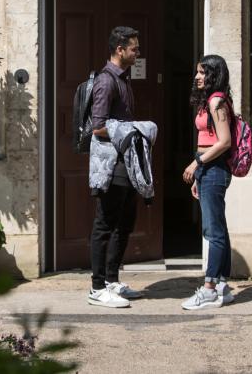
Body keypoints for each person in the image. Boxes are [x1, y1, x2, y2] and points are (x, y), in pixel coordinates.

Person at [86, 26, 145, 308]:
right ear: (119, 49)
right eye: (133, 48)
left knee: (125, 224)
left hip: (127, 163)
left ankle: (111, 281)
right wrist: (132, 131)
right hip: (112, 166)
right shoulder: (107, 81)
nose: (137, 52)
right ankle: (97, 288)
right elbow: (97, 128)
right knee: (105, 225)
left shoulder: (123, 79)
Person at [180, 54, 235, 310]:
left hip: (213, 168)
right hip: (207, 170)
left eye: (202, 73)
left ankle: (210, 288)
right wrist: (198, 176)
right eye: (197, 72)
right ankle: (223, 284)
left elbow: (224, 142)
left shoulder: (216, 101)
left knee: (213, 231)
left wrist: (197, 165)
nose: (197, 77)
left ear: (214, 74)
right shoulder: (209, 101)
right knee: (217, 228)